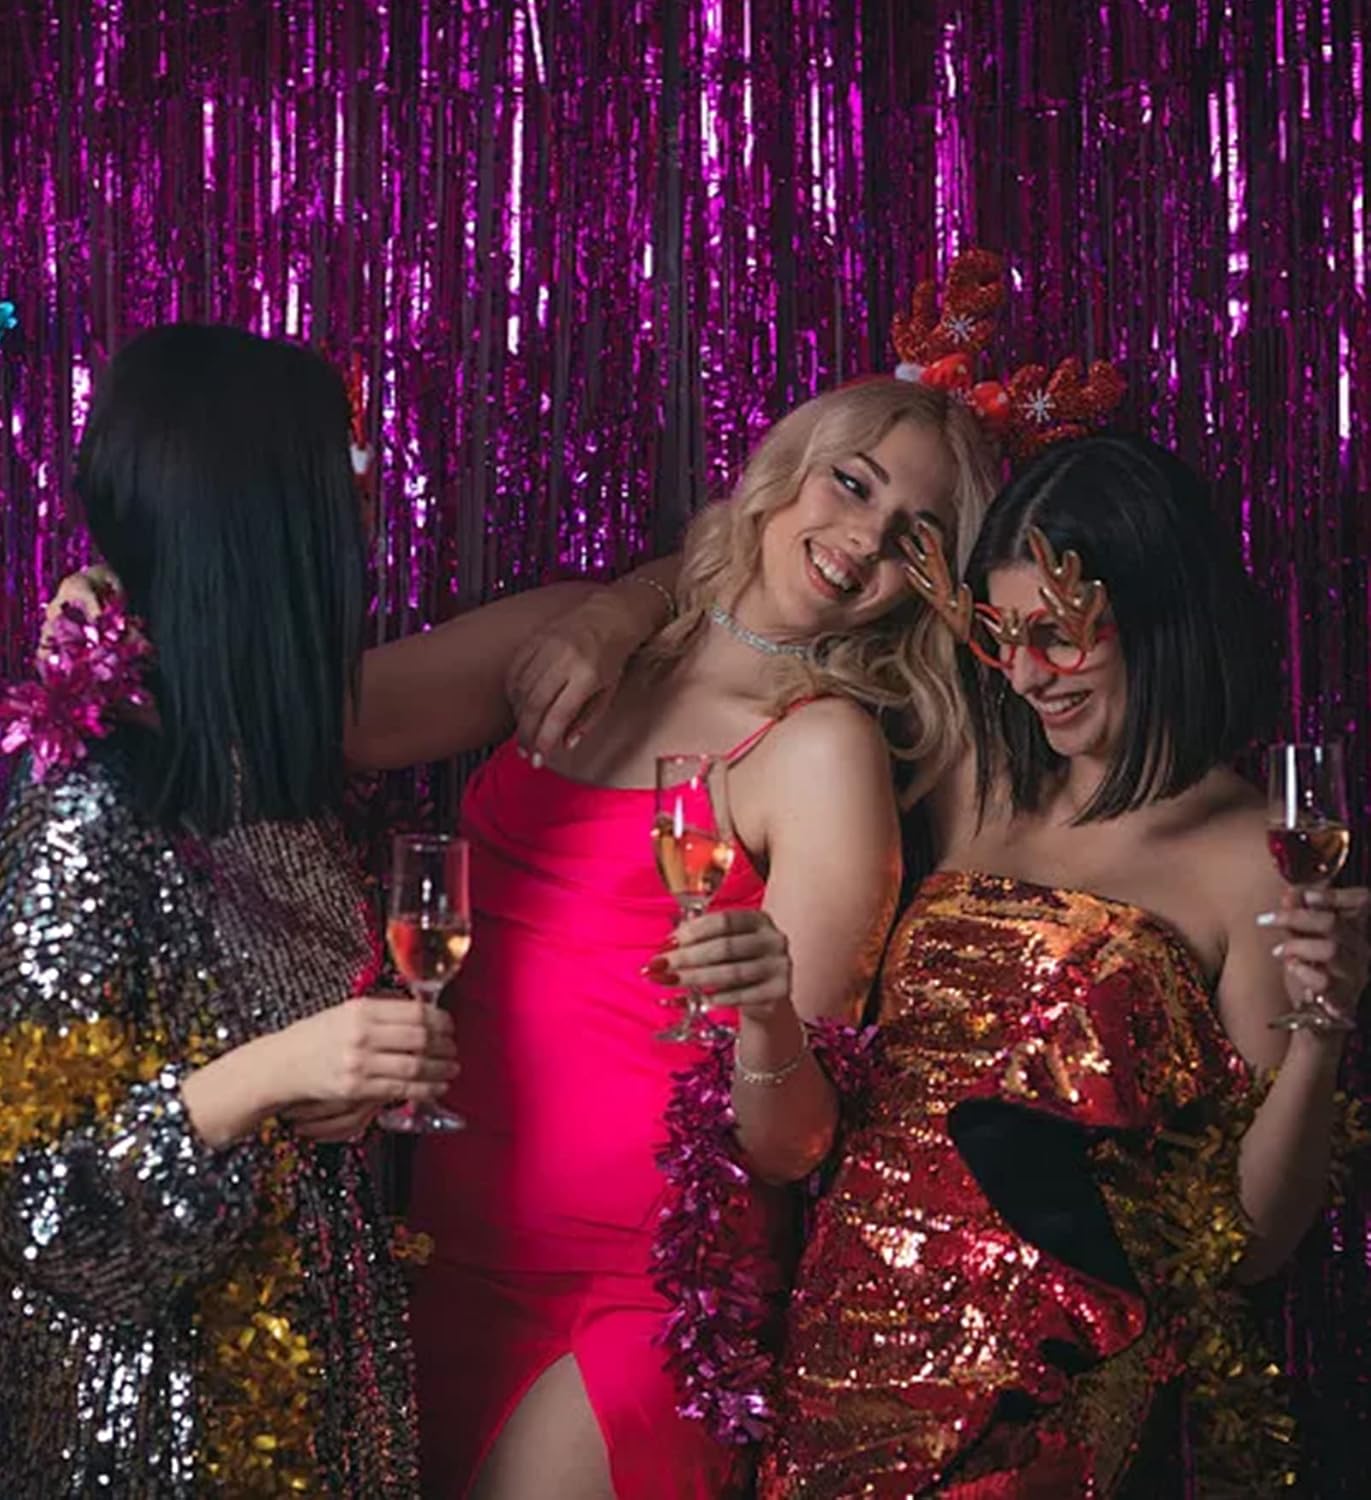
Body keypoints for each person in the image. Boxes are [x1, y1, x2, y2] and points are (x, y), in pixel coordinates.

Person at [400, 377, 1000, 1500]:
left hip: (635, 1296)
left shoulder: (822, 749)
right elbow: (331, 722)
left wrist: (766, 1015)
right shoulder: (584, 634)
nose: (864, 540)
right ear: (787, 470)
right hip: (438, 1241)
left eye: (912, 535)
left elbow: (788, 1146)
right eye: (852, 484)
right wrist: (113, 632)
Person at [754, 434, 1370, 1497]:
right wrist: (611, 614)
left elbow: (1251, 1240)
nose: (1027, 674)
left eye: (1057, 634)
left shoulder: (1251, 857)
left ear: (1157, 609)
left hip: (1034, 1395)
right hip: (841, 1339)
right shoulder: (975, 778)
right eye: (1002, 636)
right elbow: (764, 603)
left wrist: (1323, 1033)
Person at [0, 325, 464, 1496]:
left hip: (316, 1376)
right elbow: (41, 1212)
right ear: (262, 527)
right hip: (168, 1428)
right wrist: (269, 1074)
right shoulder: (90, 798)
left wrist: (339, 1092)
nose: (365, 522)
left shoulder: (255, 761)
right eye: (341, 481)